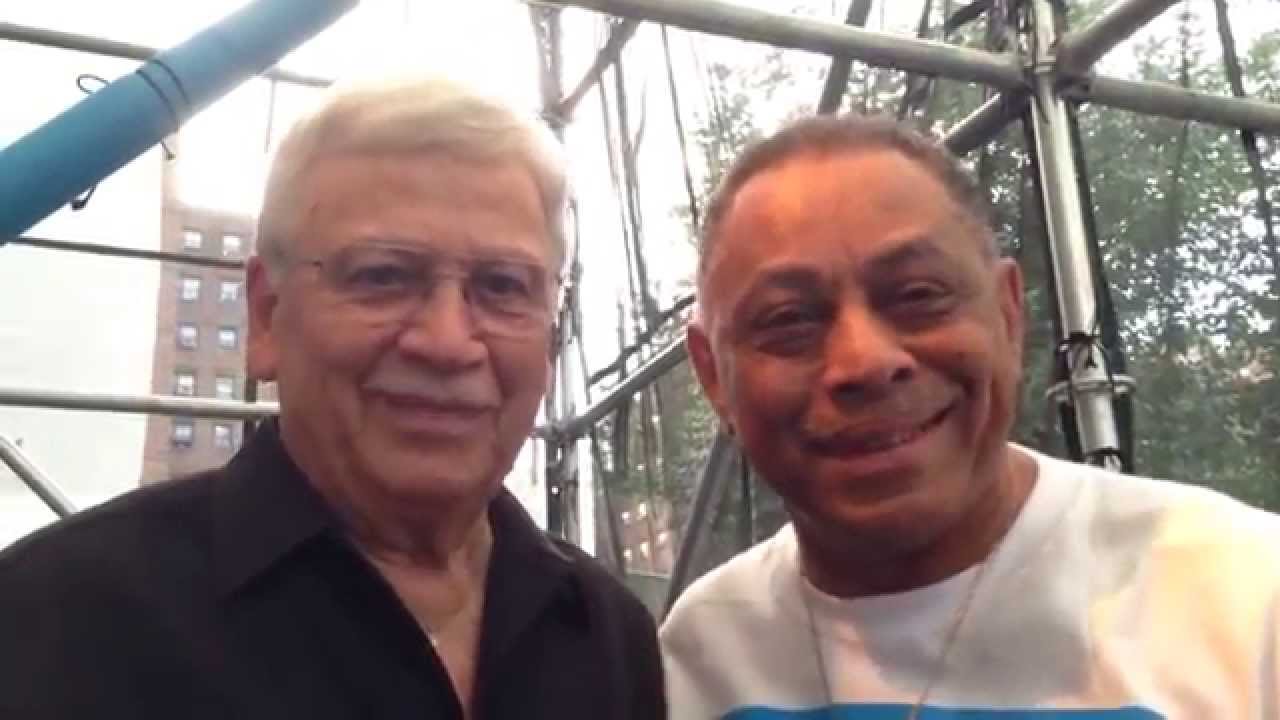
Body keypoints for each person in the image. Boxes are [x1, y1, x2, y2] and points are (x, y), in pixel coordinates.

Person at [0, 75, 665, 720]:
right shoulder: (58, 622)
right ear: (265, 315)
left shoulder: (609, 637)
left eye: (503, 286)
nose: (447, 341)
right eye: (383, 276)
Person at [661, 114, 1280, 718]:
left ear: (1008, 317)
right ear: (713, 374)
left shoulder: (1244, 594)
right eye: (789, 320)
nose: (866, 361)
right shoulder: (698, 656)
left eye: (918, 296)